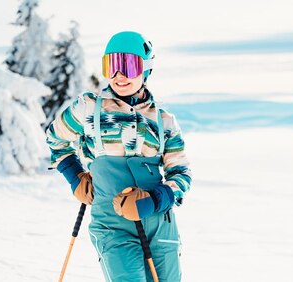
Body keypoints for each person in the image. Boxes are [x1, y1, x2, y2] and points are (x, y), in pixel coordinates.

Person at [46, 31, 191, 281]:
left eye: (129, 65)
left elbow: (181, 174)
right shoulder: (89, 108)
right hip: (112, 225)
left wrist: (155, 200)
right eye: (111, 66)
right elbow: (55, 139)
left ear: (145, 70)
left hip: (159, 223)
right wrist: (75, 176)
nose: (119, 75)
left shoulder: (164, 120)